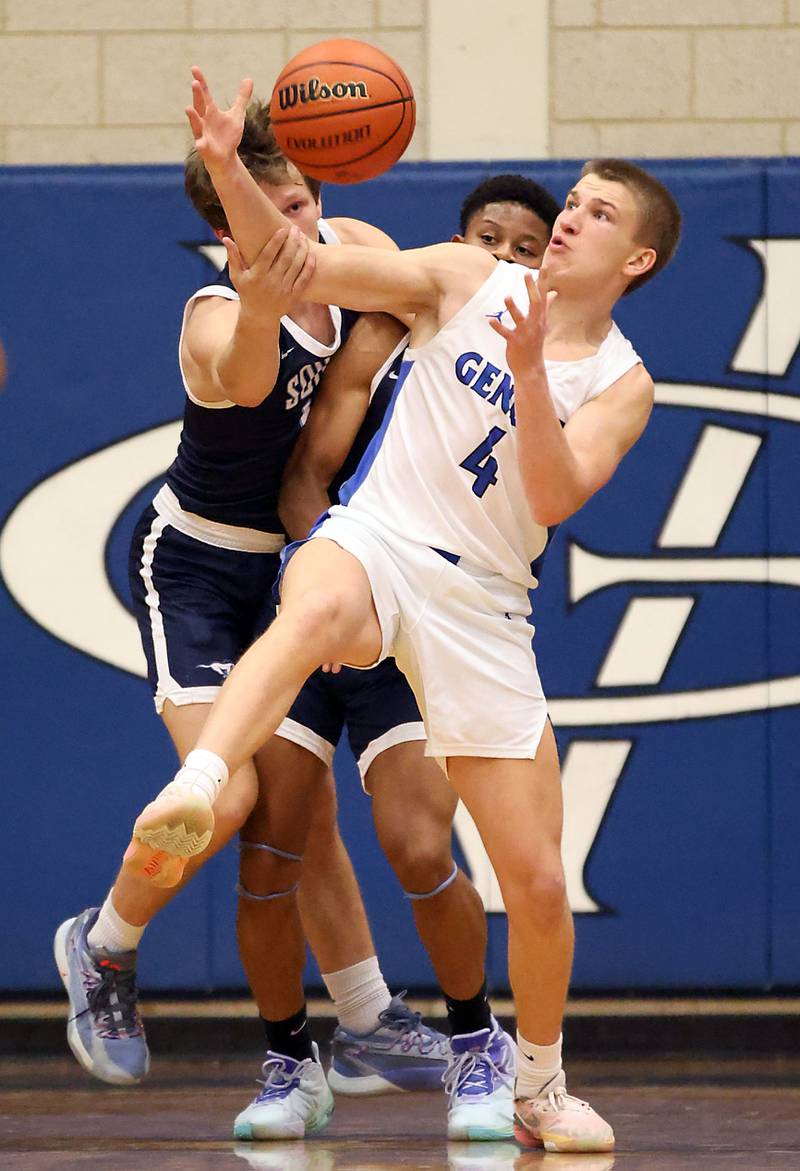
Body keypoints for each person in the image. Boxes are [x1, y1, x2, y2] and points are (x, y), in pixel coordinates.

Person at [128, 69, 681, 1154]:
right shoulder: (465, 273)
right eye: (569, 201)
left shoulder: (622, 379)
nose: (569, 217)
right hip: (378, 538)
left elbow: (556, 492)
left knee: (529, 876)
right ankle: (199, 778)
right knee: (312, 597)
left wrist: (527, 371)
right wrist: (236, 174)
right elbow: (297, 263)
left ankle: (535, 1082)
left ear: (635, 262)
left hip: (481, 601)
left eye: (595, 214)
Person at [54, 98, 446, 1103]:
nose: (300, 226)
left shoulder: (349, 243)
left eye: (306, 201)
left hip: (295, 567)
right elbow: (249, 372)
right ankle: (105, 945)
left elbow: (418, 292)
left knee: (299, 802)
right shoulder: (219, 317)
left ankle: (361, 1019)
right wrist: (268, 294)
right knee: (225, 795)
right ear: (233, 226)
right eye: (273, 210)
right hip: (193, 570)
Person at [230, 176, 561, 1142]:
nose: (503, 254)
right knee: (270, 842)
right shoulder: (390, 328)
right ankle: (292, 1060)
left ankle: (474, 1043)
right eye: (487, 236)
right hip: (336, 587)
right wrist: (332, 581)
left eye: (526, 245)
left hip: (431, 616)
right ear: (453, 246)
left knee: (420, 844)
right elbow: (306, 478)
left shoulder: (543, 370)